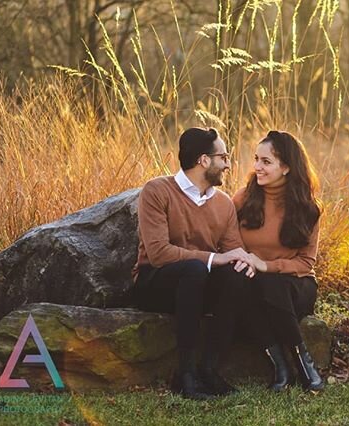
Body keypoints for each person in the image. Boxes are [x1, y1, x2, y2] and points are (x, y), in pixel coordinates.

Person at [132, 127, 256, 400]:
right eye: (223, 157)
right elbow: (158, 254)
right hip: (155, 284)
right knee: (195, 269)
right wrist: (215, 258)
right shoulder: (157, 191)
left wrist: (244, 261)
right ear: (204, 160)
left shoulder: (223, 204)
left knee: (236, 276)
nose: (228, 164)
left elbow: (233, 249)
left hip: (198, 286)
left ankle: (209, 370)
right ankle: (184, 374)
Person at [233, 130, 324, 392]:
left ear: (285, 167)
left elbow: (306, 263)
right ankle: (281, 366)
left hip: (296, 286)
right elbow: (225, 236)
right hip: (254, 284)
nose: (257, 167)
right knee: (245, 288)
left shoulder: (308, 207)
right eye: (256, 159)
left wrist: (268, 266)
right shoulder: (243, 198)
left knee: (272, 284)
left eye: (266, 162)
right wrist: (246, 260)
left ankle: (303, 363)